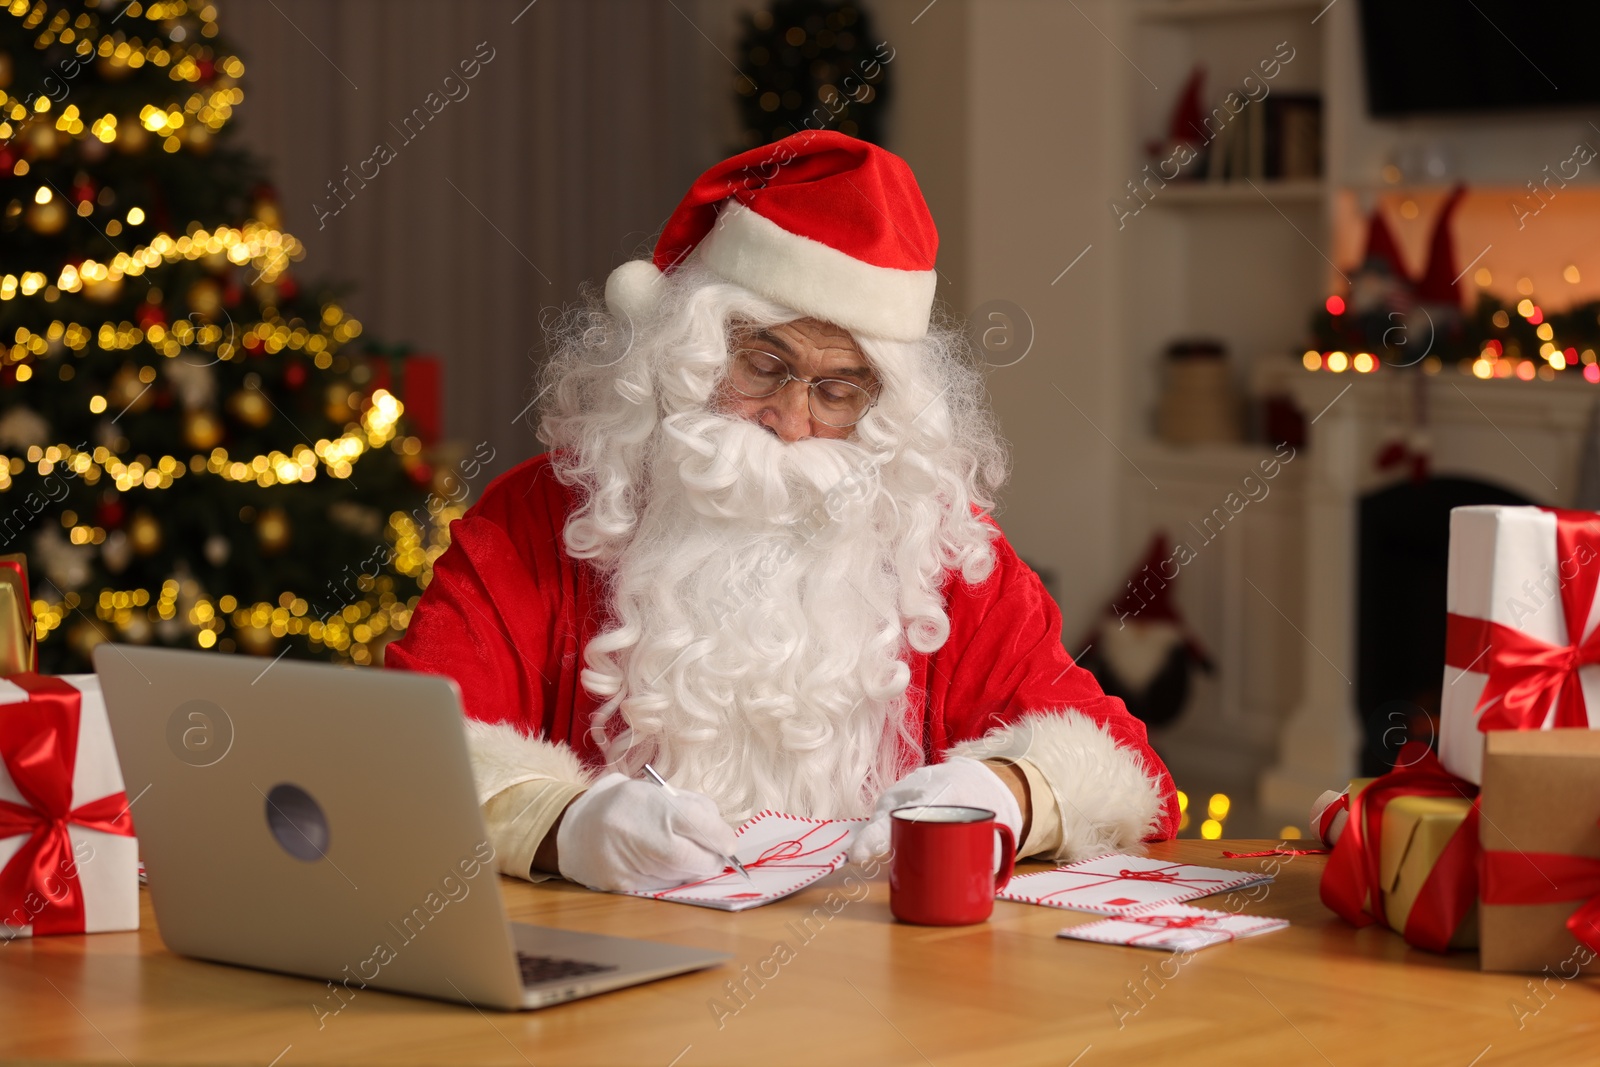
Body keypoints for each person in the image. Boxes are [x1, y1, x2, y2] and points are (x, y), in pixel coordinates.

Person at [385, 130, 1179, 892]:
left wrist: (1007, 791)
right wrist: (559, 826)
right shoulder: (540, 516)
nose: (792, 420)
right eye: (763, 364)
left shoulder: (939, 546)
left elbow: (1128, 772)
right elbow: (404, 750)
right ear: (686, 349)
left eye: (838, 391)